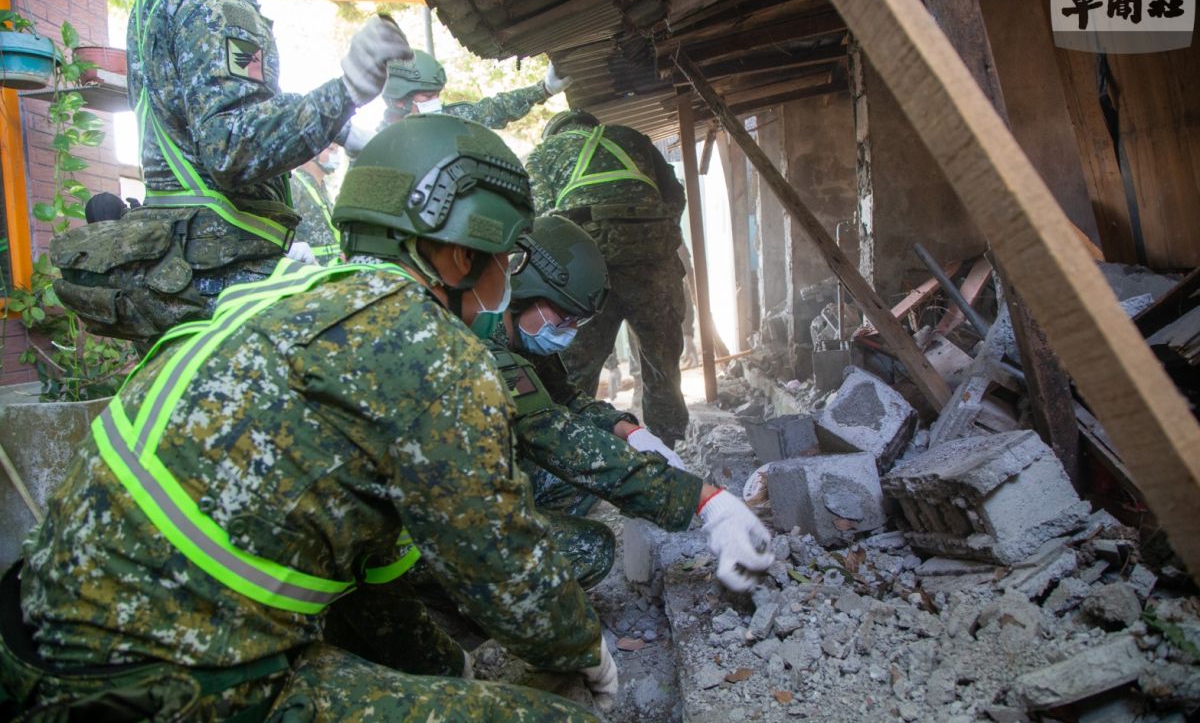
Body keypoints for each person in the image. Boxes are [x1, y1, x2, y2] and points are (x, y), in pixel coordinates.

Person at [1, 116, 614, 721]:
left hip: (37, 648)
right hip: (161, 689)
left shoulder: (281, 297)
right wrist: (585, 651)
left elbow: (371, 591)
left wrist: (447, 672)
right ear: (457, 255)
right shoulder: (435, 355)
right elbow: (507, 573)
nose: (507, 274)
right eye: (504, 256)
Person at [51, 0, 408, 345]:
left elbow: (215, 106)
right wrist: (345, 93)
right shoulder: (215, 3)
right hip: (221, 274)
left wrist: (343, 128)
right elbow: (231, 148)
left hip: (187, 264)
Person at [479, 214, 773, 593]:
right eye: (564, 318)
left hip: (484, 476)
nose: (567, 332)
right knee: (592, 548)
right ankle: (454, 601)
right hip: (433, 525)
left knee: (587, 479)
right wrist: (706, 502)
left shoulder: (519, 333)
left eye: (577, 323)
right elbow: (562, 441)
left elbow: (566, 398)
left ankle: (525, 521)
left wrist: (629, 432)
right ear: (523, 291)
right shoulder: (485, 353)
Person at [526, 109, 690, 445]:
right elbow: (674, 194)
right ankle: (667, 446)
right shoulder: (632, 139)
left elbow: (541, 219)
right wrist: (652, 234)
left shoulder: (543, 153)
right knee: (662, 362)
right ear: (594, 127)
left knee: (574, 371)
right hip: (651, 263)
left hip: (583, 271)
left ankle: (574, 452)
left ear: (554, 132)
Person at [381, 49, 572, 129]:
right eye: (428, 96)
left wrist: (544, 89)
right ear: (399, 100)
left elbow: (495, 109)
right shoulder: (376, 147)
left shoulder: (449, 121)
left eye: (437, 95)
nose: (436, 102)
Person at [290, 146, 342, 266]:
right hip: (312, 269)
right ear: (312, 154)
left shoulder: (323, 188)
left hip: (332, 266)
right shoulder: (294, 185)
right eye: (331, 149)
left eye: (337, 151)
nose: (336, 156)